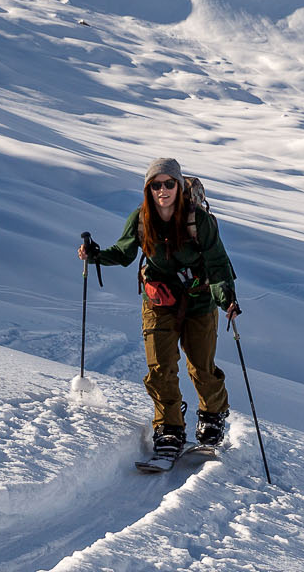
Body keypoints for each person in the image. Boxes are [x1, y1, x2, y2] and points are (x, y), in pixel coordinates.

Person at [80, 158, 240, 463]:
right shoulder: (141, 219)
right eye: (156, 184)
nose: (162, 190)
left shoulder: (199, 221)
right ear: (148, 188)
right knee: (160, 367)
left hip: (199, 300)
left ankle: (212, 412)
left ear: (179, 186)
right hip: (159, 301)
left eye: (169, 183)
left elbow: (218, 264)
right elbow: (124, 252)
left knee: (201, 367)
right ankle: (168, 426)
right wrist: (96, 255)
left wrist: (226, 298)